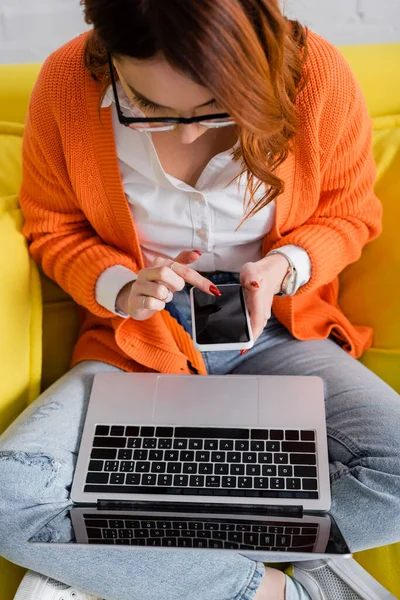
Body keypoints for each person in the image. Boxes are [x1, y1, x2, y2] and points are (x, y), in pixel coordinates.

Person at [0, 1, 399, 599]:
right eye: (149, 109)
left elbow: (349, 212)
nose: (187, 132)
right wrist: (119, 285)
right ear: (111, 56)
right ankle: (275, 591)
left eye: (215, 106)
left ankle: (140, 572)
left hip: (280, 333)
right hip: (135, 342)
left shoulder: (314, 75)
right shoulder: (66, 84)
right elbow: (52, 227)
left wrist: (286, 266)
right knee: (9, 495)